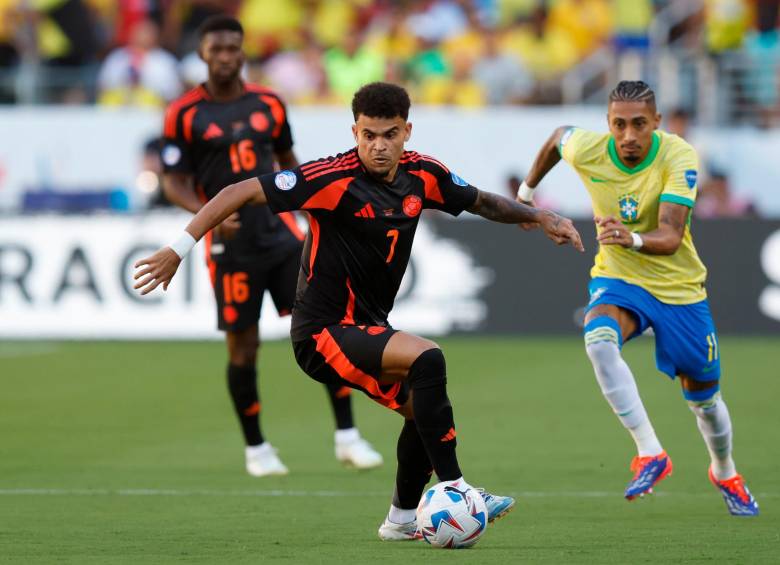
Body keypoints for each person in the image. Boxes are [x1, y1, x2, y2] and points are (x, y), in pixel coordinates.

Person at [134, 81, 584, 539]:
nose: (378, 146)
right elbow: (237, 192)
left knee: (423, 411)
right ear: (354, 131)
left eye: (389, 134)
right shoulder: (329, 178)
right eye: (368, 135)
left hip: (366, 327)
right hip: (321, 333)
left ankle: (401, 520)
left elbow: (481, 202)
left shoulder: (425, 175)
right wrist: (178, 248)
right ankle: (458, 489)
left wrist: (538, 216)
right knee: (428, 358)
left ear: (407, 131)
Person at [517, 80, 759, 516]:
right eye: (618, 125)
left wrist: (630, 237)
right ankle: (650, 452)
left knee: (705, 402)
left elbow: (669, 235)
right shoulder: (589, 147)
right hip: (619, 278)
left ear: (657, 123)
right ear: (608, 123)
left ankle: (725, 471)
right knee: (599, 340)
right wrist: (525, 194)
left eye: (639, 125)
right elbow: (557, 138)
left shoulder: (678, 155)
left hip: (679, 289)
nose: (628, 136)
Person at [159, 15, 382, 478]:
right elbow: (172, 181)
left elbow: (288, 164)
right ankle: (257, 448)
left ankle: (347, 435)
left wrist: (314, 211)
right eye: (216, 49)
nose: (226, 57)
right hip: (231, 248)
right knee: (244, 348)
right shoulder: (184, 113)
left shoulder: (269, 103)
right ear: (202, 54)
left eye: (233, 48)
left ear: (243, 52)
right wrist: (207, 213)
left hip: (283, 239)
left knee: (326, 329)